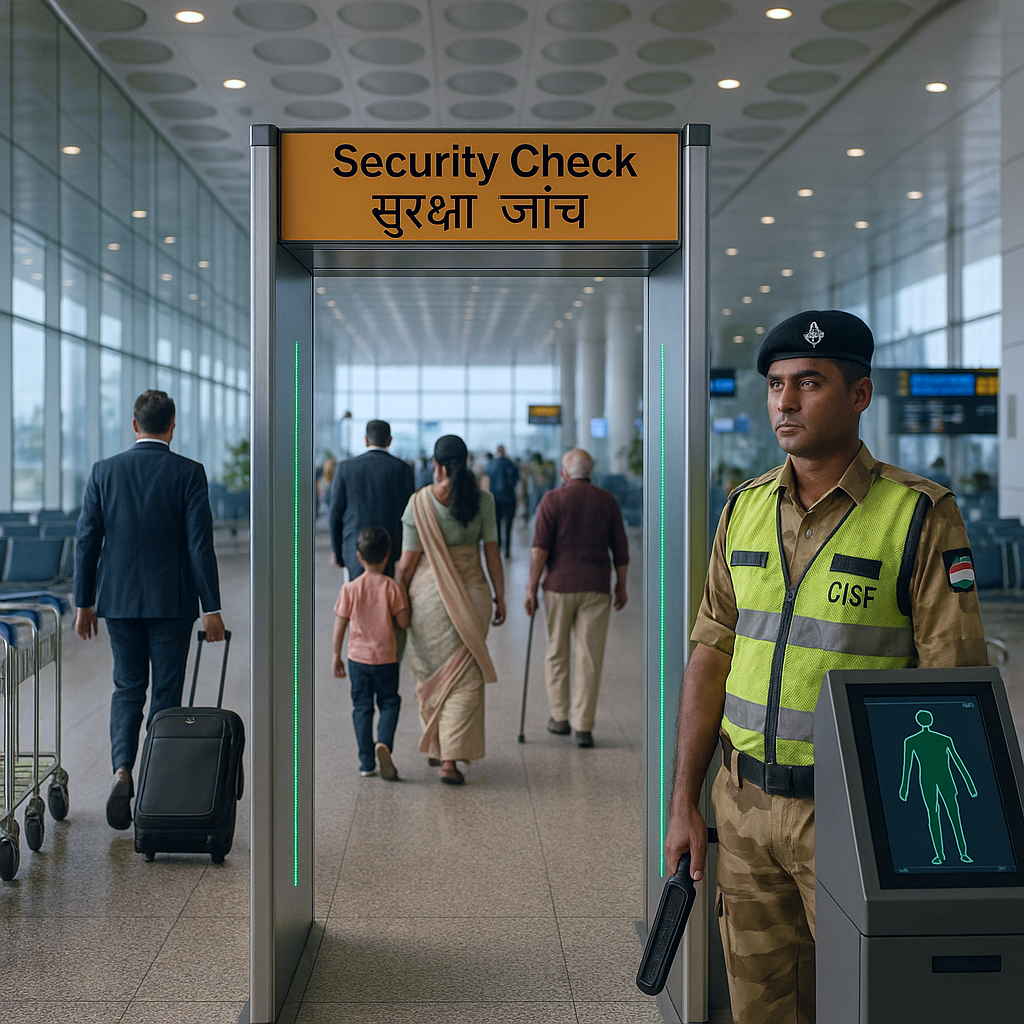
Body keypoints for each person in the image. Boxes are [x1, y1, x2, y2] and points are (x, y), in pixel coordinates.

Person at [663, 309, 988, 1024]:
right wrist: (685, 799)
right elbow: (710, 656)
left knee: (870, 1005)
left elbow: (953, 682)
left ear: (859, 395)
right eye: (777, 384)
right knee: (760, 1011)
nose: (785, 401)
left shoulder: (918, 515)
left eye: (809, 382)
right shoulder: (741, 510)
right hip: (743, 812)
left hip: (855, 819)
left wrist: (945, 853)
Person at [74, 390, 226, 831]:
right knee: (166, 694)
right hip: (171, 603)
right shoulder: (189, 473)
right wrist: (211, 607)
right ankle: (156, 786)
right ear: (172, 424)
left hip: (118, 602)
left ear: (134, 424)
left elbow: (87, 542)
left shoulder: (105, 471)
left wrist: (85, 602)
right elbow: (201, 545)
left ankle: (122, 769)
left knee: (127, 686)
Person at [394, 435, 506, 785]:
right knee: (465, 677)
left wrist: (398, 598)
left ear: (437, 465)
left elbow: (407, 563)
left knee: (430, 673)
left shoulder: (419, 503)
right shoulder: (483, 500)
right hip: (473, 597)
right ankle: (450, 760)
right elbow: (492, 555)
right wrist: (500, 598)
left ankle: (438, 747)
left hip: (427, 599)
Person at [524, 448, 629, 748]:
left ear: (563, 473)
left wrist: (531, 588)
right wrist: (620, 585)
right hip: (596, 588)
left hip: (558, 587)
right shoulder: (606, 501)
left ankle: (559, 717)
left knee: (556, 651)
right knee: (589, 657)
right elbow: (620, 550)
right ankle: (583, 726)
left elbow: (539, 551)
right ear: (591, 473)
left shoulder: (552, 500)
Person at [331, 526, 410, 780]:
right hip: (386, 659)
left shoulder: (350, 589)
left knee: (362, 708)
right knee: (389, 703)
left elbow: (340, 623)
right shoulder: (391, 587)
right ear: (387, 556)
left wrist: (336, 655)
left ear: (359, 557)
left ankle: (366, 763)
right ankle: (384, 743)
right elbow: (404, 622)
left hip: (357, 659)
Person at [329, 419, 415, 579]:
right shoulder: (403, 469)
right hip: (391, 551)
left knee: (355, 598)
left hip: (354, 549)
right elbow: (409, 515)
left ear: (366, 439)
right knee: (387, 598)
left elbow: (335, 513)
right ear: (389, 440)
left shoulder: (346, 468)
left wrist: (337, 551)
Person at [487, 444, 520, 558]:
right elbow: (515, 480)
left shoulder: (491, 464)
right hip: (509, 498)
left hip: (495, 498)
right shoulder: (510, 464)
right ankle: (507, 550)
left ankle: (499, 546)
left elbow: (488, 479)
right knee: (508, 525)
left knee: (497, 524)